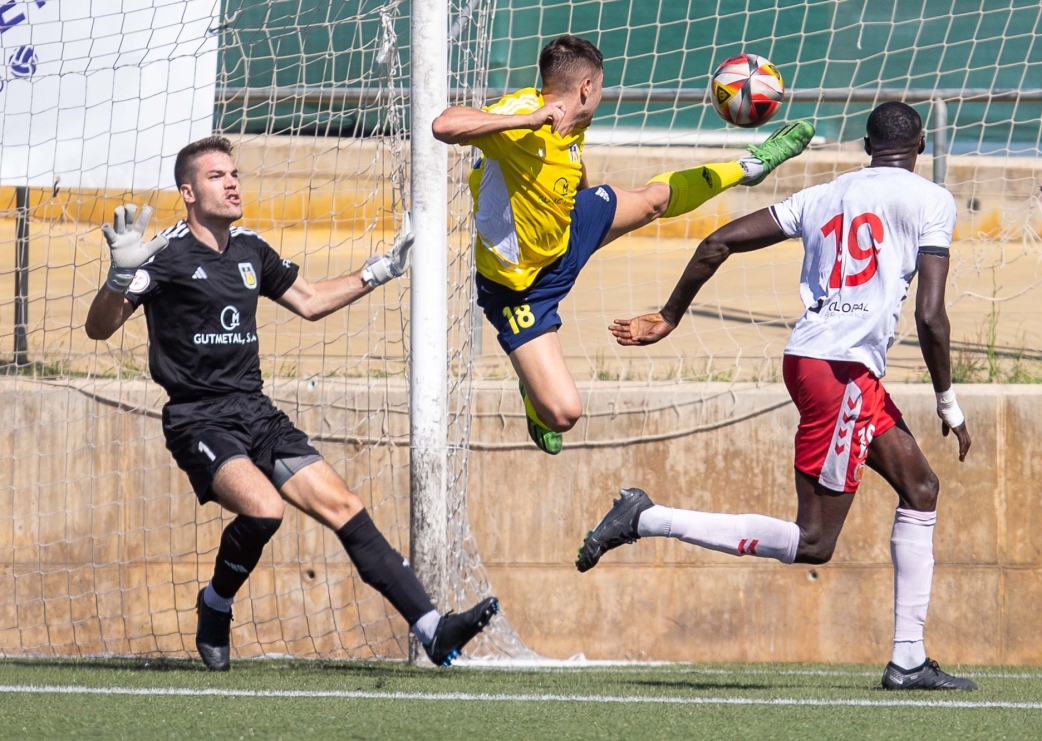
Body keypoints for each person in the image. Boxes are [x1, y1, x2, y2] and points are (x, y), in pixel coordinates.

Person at [576, 102, 977, 691]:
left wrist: (670, 315)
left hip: (816, 363)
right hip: (840, 375)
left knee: (920, 487)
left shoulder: (821, 194)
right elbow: (931, 314)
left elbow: (717, 242)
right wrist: (947, 401)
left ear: (865, 146)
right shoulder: (931, 199)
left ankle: (909, 660)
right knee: (814, 543)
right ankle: (646, 516)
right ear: (918, 147)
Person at [84, 135, 496, 670]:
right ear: (187, 192)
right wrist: (117, 279)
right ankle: (216, 605)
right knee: (265, 509)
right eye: (216, 177)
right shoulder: (162, 254)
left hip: (257, 412)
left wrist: (381, 270)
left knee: (345, 507)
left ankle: (432, 628)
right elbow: (99, 329)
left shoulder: (251, 248)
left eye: (234, 174)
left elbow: (311, 300)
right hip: (198, 418)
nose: (232, 183)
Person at [432, 34, 815, 455]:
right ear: (586, 88)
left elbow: (569, 156)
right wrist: (526, 121)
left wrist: (589, 207)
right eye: (600, 87)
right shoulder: (522, 114)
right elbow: (444, 125)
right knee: (563, 413)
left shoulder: (575, 116)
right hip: (519, 287)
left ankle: (751, 164)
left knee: (652, 200)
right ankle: (533, 396)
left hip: (568, 228)